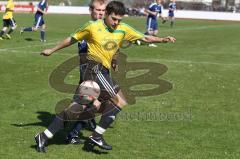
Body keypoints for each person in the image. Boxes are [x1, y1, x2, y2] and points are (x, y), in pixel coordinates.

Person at [37, 0, 176, 152]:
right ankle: (96, 135)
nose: (116, 23)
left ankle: (43, 136)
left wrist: (162, 39)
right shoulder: (92, 27)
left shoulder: (123, 29)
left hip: (102, 71)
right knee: (120, 101)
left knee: (78, 109)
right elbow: (72, 39)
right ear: (107, 14)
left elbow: (144, 38)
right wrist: (52, 49)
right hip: (94, 70)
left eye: (119, 20)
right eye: (114, 19)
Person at [66, 0, 118, 145]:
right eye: (98, 10)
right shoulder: (88, 29)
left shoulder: (105, 28)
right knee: (99, 103)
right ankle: (73, 132)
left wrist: (114, 60)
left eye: (103, 11)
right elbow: (84, 56)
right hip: (90, 73)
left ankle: (80, 126)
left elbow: (113, 46)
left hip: (101, 72)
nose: (101, 13)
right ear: (91, 10)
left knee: (88, 104)